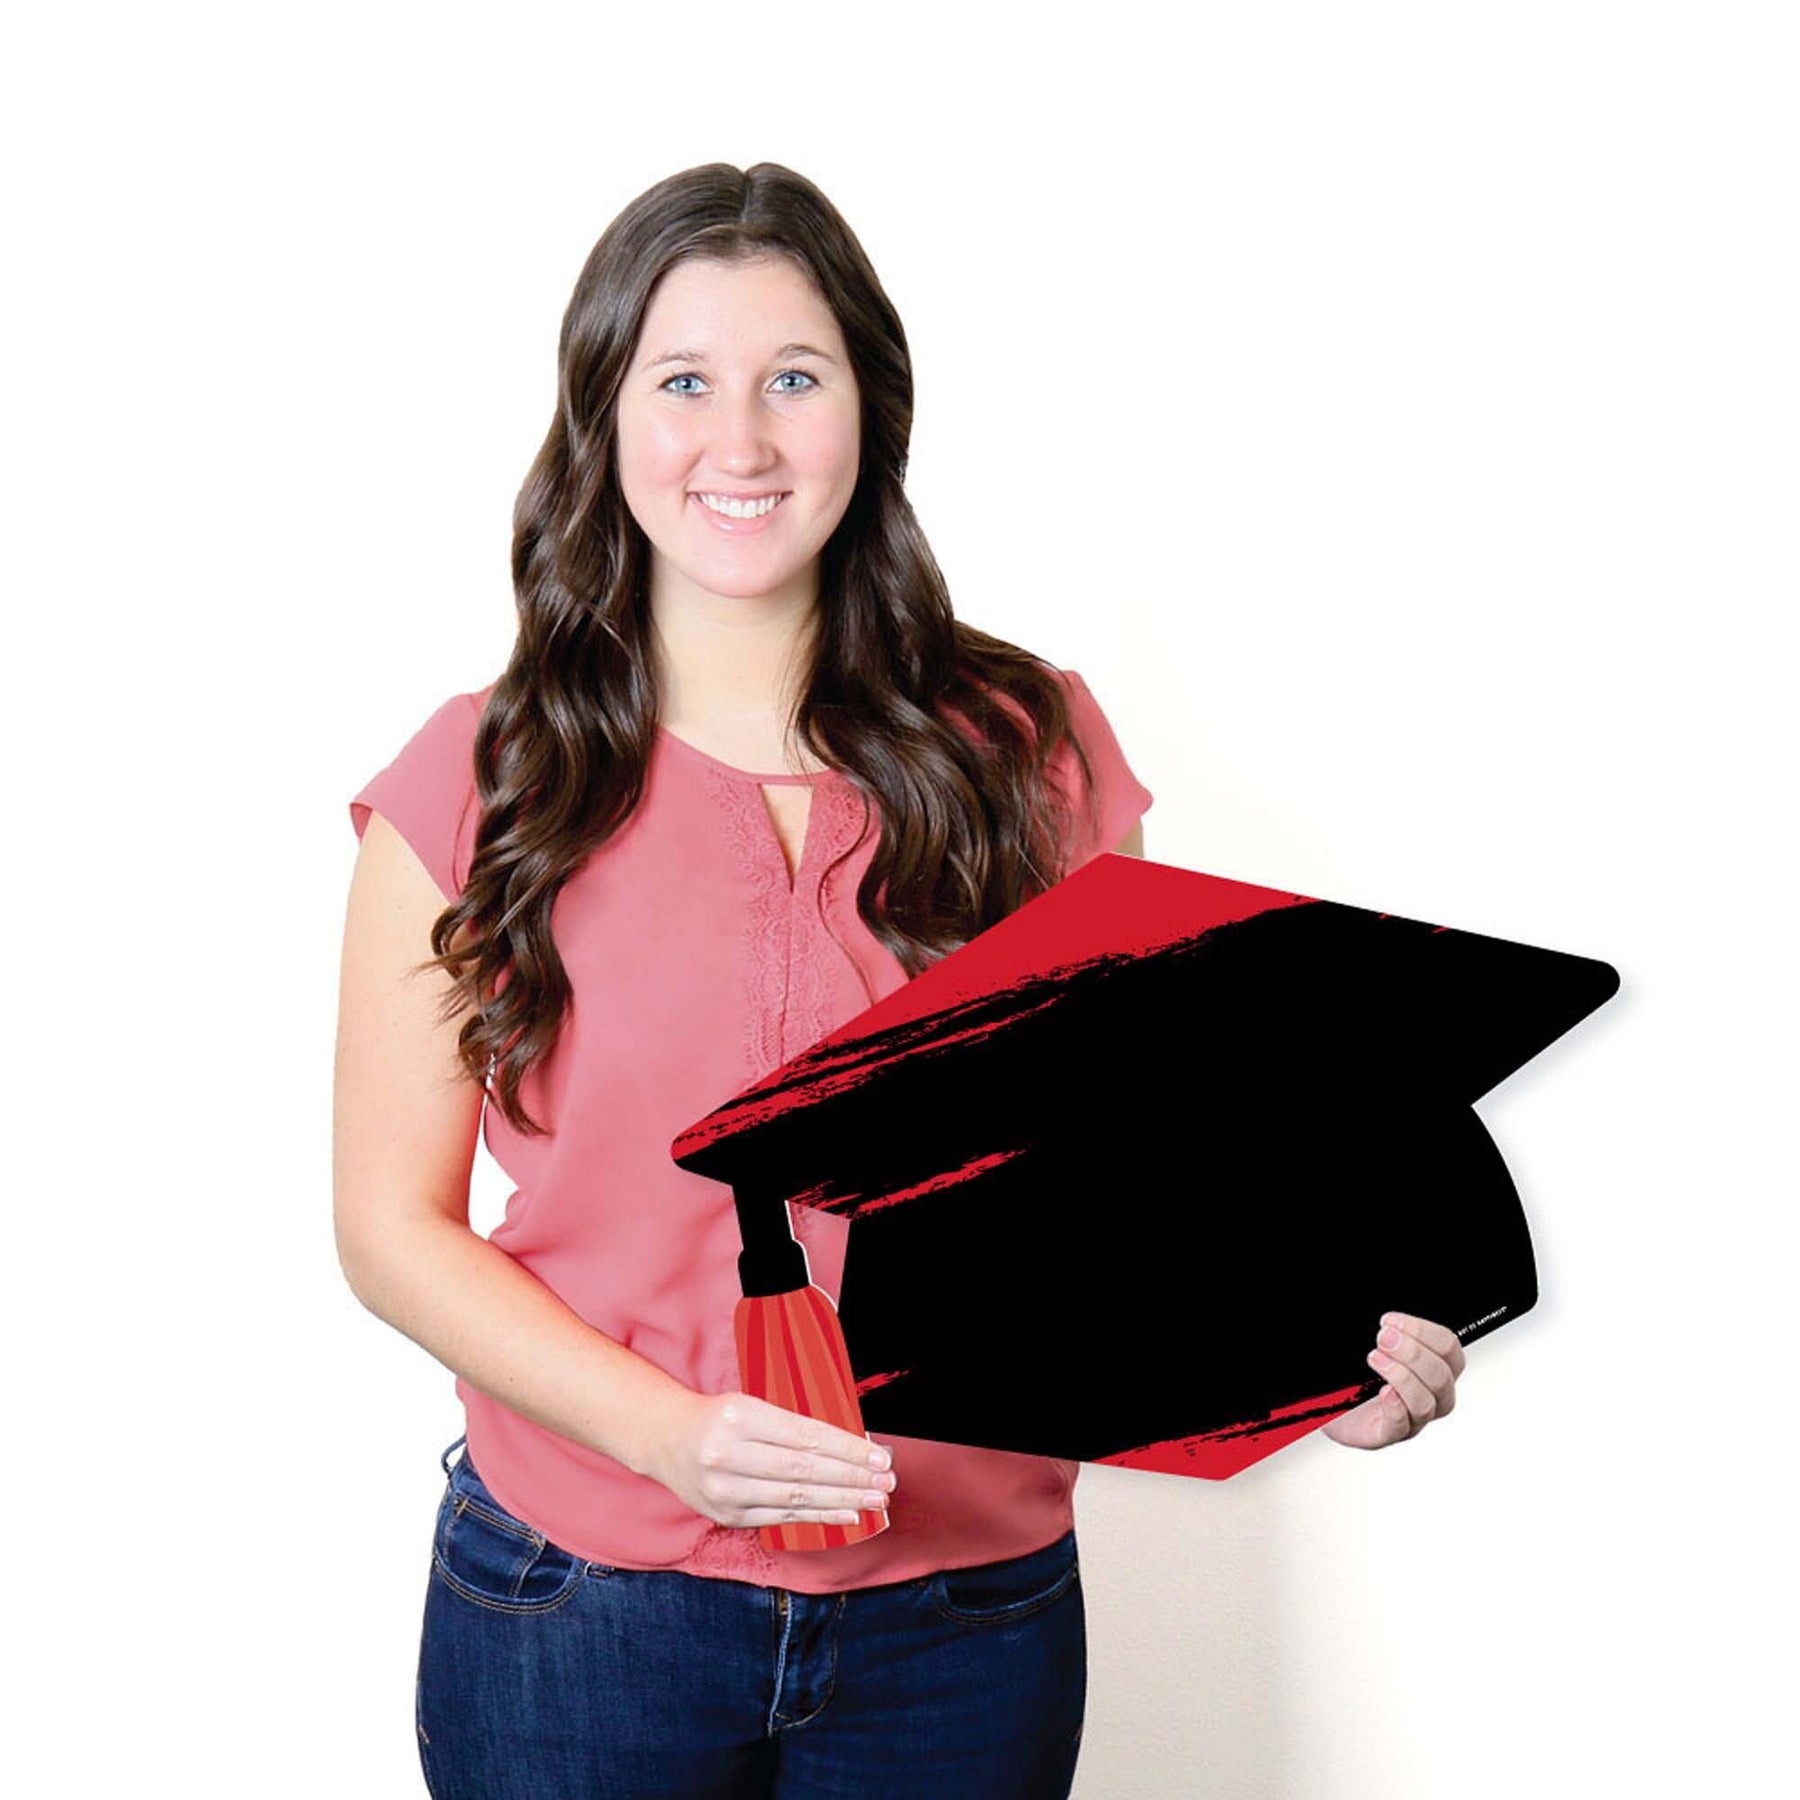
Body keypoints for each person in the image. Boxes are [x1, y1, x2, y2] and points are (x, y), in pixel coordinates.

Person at [333, 162, 1467, 1800]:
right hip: (582, 1605)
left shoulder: (1032, 750)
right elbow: (390, 1227)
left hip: (964, 1623)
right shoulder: (479, 780)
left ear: (872, 408)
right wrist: (666, 1437)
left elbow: (1122, 1166)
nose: (741, 441)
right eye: (683, 382)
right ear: (603, 419)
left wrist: (1281, 1371)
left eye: (795, 378)